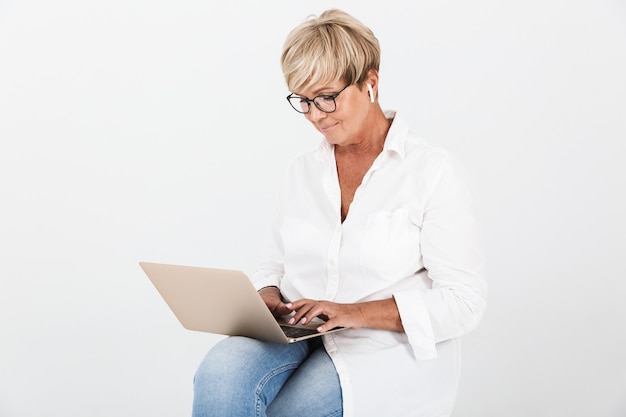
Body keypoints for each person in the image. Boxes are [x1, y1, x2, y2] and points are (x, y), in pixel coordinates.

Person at [192, 9, 487, 417]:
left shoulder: (431, 172)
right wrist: (267, 297)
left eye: (327, 97)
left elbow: (464, 302)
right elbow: (271, 263)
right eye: (304, 100)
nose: (315, 114)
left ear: (371, 82)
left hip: (380, 347)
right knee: (219, 376)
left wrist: (354, 313)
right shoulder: (301, 171)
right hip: (298, 333)